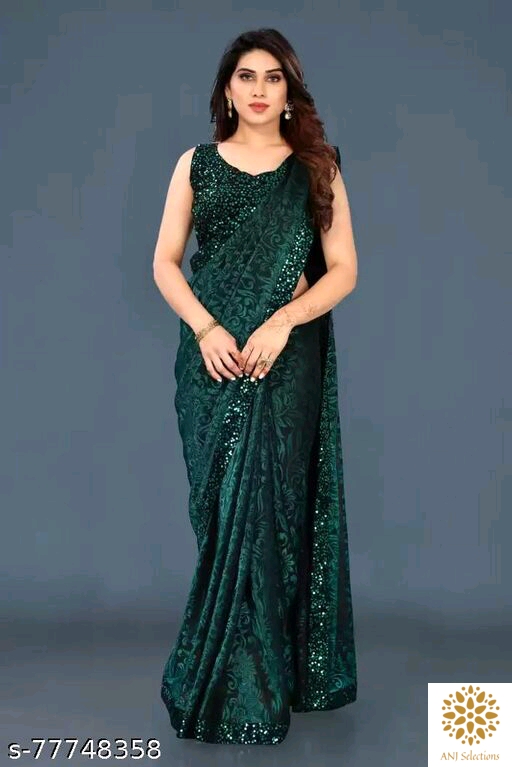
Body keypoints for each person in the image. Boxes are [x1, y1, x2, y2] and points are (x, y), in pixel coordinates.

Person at [152, 27, 358, 746]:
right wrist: (207, 329)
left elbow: (343, 269)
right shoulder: (196, 165)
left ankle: (260, 686)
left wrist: (284, 321)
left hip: (282, 360)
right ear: (227, 89)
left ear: (290, 91)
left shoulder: (317, 169)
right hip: (211, 360)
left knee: (269, 509)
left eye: (274, 77)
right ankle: (219, 678)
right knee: (221, 513)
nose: (261, 89)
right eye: (247, 76)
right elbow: (166, 262)